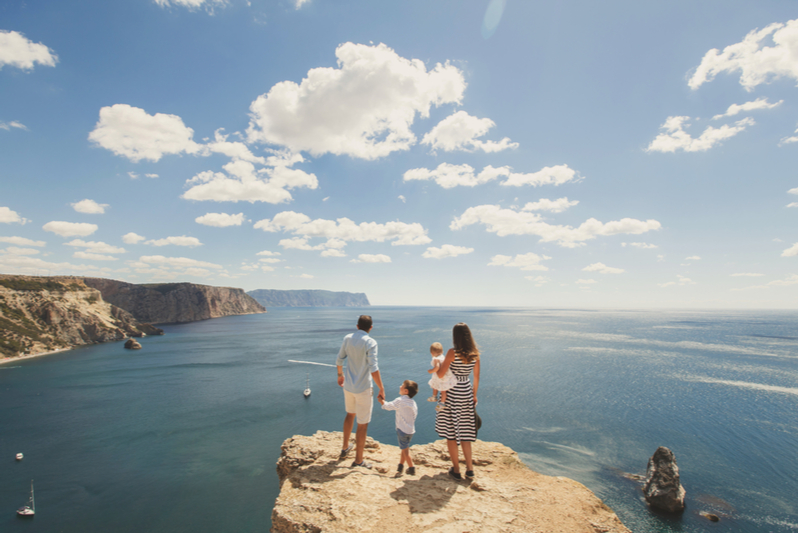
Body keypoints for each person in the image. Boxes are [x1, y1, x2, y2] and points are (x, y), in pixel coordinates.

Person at [336, 315, 385, 469]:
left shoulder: (348, 338)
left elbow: (339, 360)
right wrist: (381, 388)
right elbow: (374, 368)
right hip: (363, 388)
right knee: (362, 425)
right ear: (370, 328)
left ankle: (345, 448)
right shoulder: (371, 342)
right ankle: (358, 461)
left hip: (348, 386)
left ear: (357, 326)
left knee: (350, 414)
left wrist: (340, 375)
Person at [434, 322, 481, 481]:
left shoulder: (452, 353)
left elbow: (440, 375)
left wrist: (438, 365)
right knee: (466, 431)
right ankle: (470, 469)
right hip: (466, 391)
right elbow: (476, 377)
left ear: (456, 337)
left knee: (451, 432)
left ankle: (456, 470)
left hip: (453, 392)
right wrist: (474, 395)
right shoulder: (475, 353)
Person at [378, 380, 419, 476]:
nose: (400, 386)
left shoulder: (400, 401)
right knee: (404, 448)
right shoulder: (413, 403)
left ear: (406, 391)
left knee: (405, 450)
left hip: (402, 430)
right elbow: (415, 415)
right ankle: (400, 467)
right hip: (411, 430)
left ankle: (411, 468)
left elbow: (388, 406)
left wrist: (381, 401)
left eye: (402, 385)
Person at [426, 342, 457, 412]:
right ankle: (442, 403)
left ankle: (434, 397)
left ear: (432, 353)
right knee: (443, 391)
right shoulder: (443, 357)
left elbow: (437, 367)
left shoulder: (436, 358)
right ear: (442, 351)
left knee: (434, 385)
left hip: (440, 377)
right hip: (445, 376)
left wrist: (431, 371)